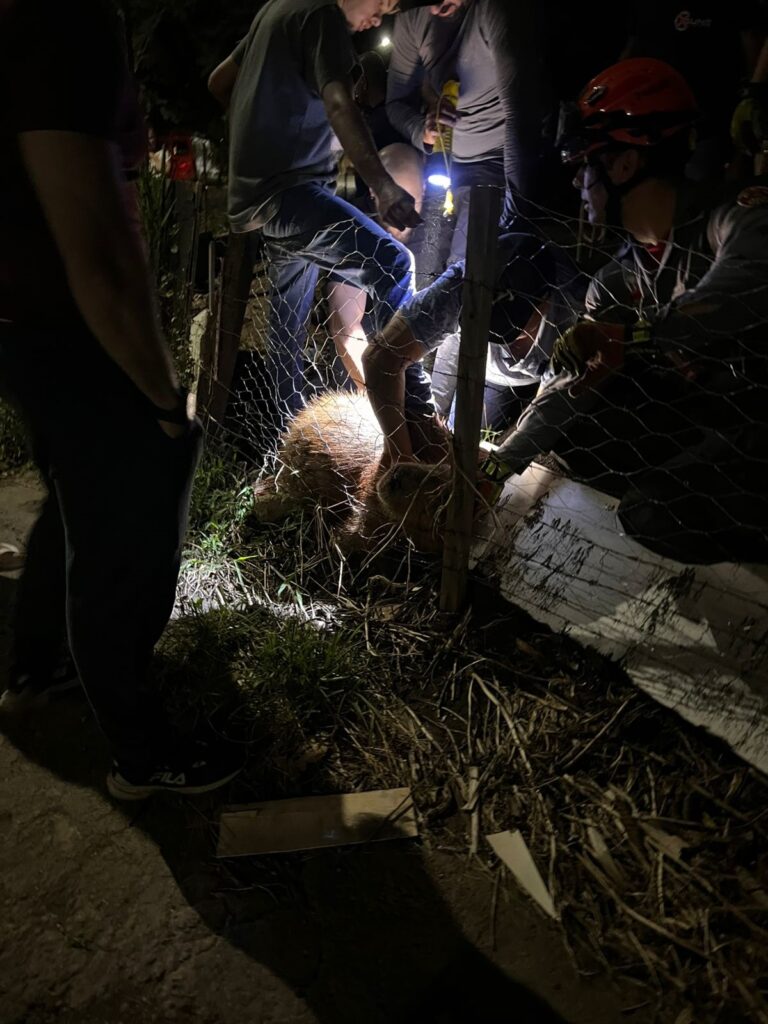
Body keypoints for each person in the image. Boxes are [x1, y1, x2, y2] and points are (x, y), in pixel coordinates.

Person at [0, 0, 242, 798]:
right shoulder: (67, 25)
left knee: (73, 503)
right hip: (76, 329)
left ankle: (38, 669)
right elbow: (100, 252)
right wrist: (163, 397)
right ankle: (143, 754)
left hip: (26, 318)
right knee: (128, 537)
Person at [479, 57, 768, 565]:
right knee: (576, 435)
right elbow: (568, 384)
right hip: (711, 417)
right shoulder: (619, 276)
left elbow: (730, 299)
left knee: (655, 511)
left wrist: (629, 337)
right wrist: (494, 470)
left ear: (625, 164)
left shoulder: (737, 217)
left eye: (585, 165)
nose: (576, 184)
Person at [209, 0, 435, 455]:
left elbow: (218, 82)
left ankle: (287, 450)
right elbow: (337, 101)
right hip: (291, 190)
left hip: (259, 196)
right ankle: (415, 417)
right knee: (392, 262)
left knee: (285, 334)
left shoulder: (275, 9)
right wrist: (384, 187)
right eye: (383, 4)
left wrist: (259, 126)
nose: (381, 18)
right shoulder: (322, 16)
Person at [361, 233, 585, 465]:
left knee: (480, 448)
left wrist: (499, 468)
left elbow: (553, 403)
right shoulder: (460, 286)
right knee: (437, 438)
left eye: (513, 329)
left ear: (545, 300)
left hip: (527, 378)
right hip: (470, 357)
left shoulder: (575, 310)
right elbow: (379, 357)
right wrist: (400, 454)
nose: (504, 340)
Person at [386, 0, 549, 276]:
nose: (435, 9)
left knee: (464, 270)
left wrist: (514, 211)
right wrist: (422, 131)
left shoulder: (495, 10)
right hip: (446, 163)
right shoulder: (413, 14)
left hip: (498, 162)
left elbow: (520, 118)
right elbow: (395, 104)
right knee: (421, 264)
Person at [622, 1, 768, 180]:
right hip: (654, 127)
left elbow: (752, 37)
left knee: (702, 183)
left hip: (713, 122)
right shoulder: (645, 7)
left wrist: (751, 94)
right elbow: (633, 46)